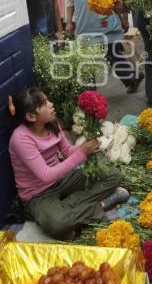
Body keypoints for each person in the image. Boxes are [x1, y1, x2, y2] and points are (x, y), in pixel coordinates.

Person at [8, 87, 129, 240]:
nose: (51, 104)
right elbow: (45, 175)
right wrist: (81, 153)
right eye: (45, 104)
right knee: (59, 224)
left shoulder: (52, 124)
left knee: (113, 175)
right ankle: (100, 206)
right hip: (38, 194)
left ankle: (67, 207)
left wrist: (88, 147)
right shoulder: (20, 139)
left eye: (48, 100)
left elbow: (67, 151)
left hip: (62, 179)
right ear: (31, 116)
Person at [65, 0, 144, 94]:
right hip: (84, 25)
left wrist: (125, 19)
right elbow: (69, 1)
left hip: (107, 24)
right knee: (87, 61)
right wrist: (68, 22)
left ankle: (132, 78)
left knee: (114, 55)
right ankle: (90, 94)